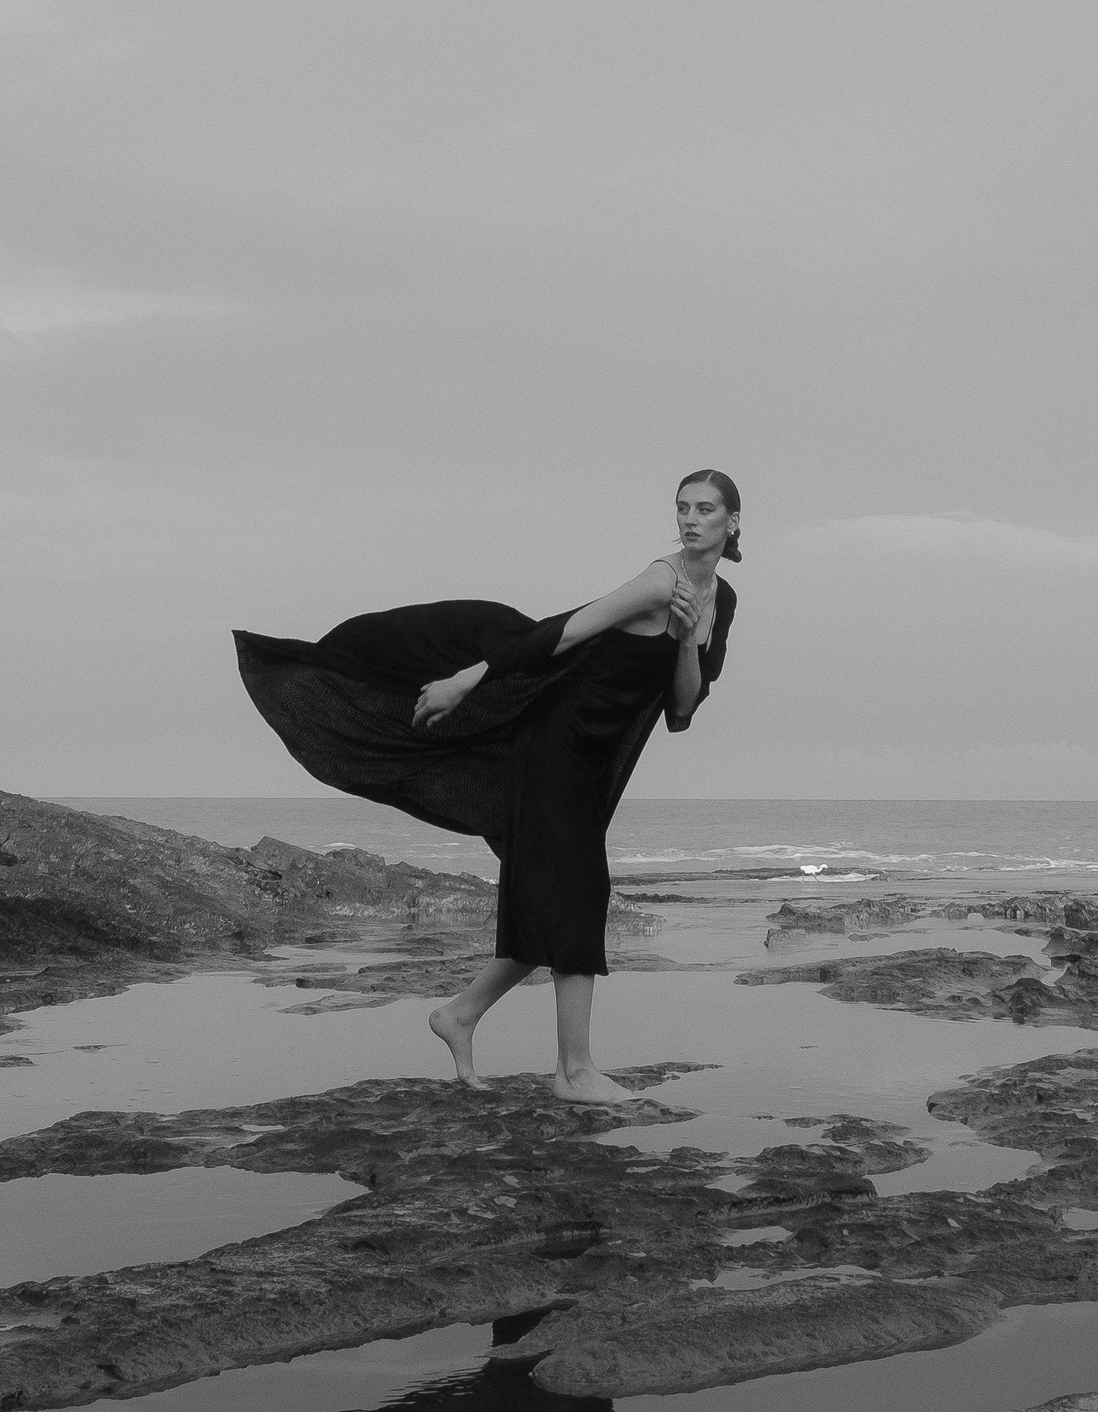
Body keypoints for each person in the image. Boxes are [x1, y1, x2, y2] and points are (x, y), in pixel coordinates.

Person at [232, 470, 741, 1100]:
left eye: (706, 510)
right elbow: (564, 631)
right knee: (578, 890)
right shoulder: (660, 580)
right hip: (553, 742)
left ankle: (460, 1014)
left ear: (732, 524)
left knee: (556, 896)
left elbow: (682, 710)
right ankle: (573, 1072)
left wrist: (690, 640)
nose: (691, 520)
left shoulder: (721, 600)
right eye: (683, 508)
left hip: (592, 757)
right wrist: (469, 679)